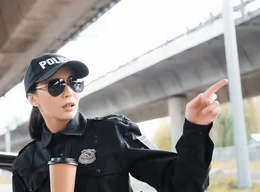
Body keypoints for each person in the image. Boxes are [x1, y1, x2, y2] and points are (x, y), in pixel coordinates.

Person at [12, 53, 226, 192]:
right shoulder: (25, 162)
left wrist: (195, 129)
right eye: (55, 85)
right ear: (33, 98)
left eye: (74, 83)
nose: (68, 92)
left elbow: (183, 185)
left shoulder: (112, 132)